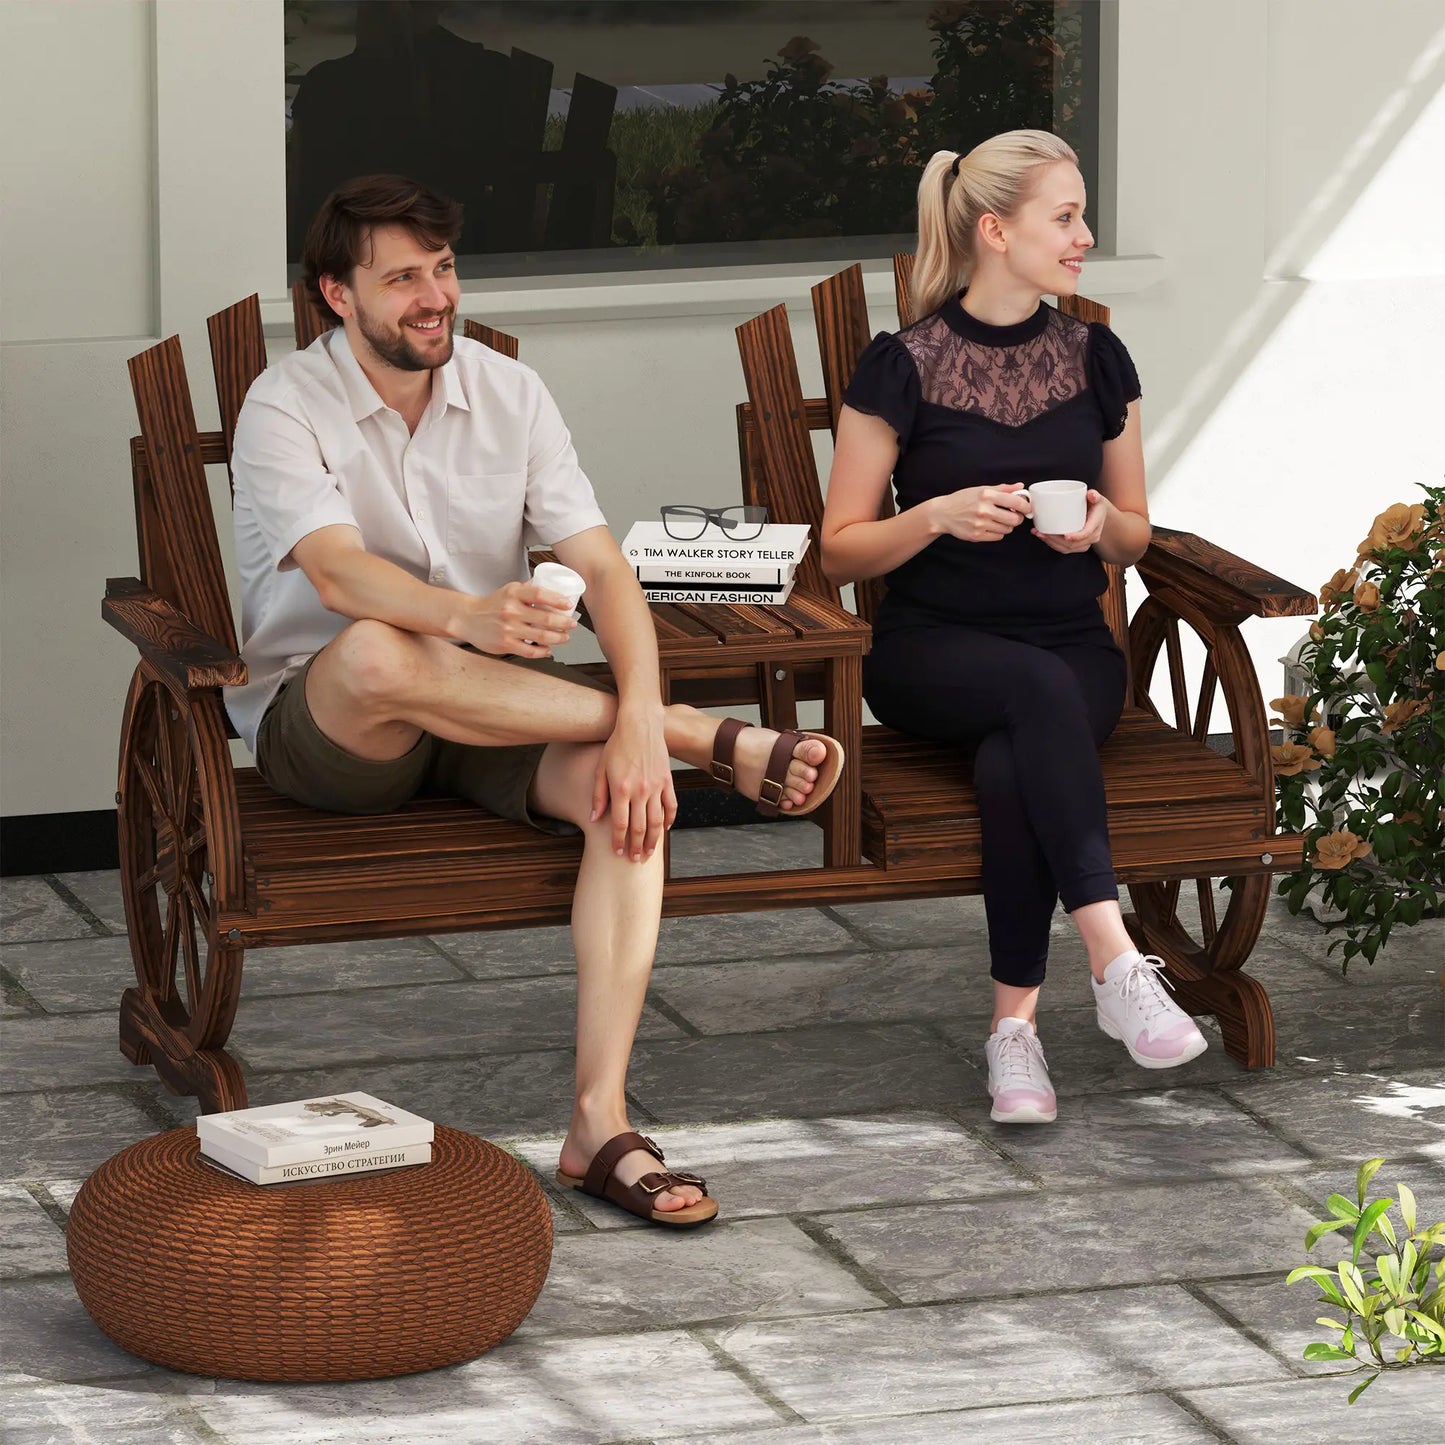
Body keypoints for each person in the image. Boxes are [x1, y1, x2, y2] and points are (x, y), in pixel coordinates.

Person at [227, 174, 845, 1223]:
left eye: (443, 269)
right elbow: (335, 574)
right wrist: (469, 617)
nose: (434, 296)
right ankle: (709, 736)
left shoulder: (508, 393)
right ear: (337, 295)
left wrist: (640, 717)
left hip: (496, 712)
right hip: (337, 728)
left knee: (629, 795)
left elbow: (604, 572)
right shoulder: (287, 403)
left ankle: (598, 1121)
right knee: (381, 648)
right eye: (401, 278)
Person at [820, 131, 1207, 1126]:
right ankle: (1114, 956)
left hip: (1070, 650)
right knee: (1025, 698)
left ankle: (1013, 1037)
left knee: (1013, 761)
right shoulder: (899, 365)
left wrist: (1095, 530)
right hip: (929, 653)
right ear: (995, 231)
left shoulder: (1094, 356)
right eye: (1064, 216)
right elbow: (838, 550)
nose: (1084, 235)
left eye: (1080, 214)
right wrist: (933, 516)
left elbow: (1133, 532)